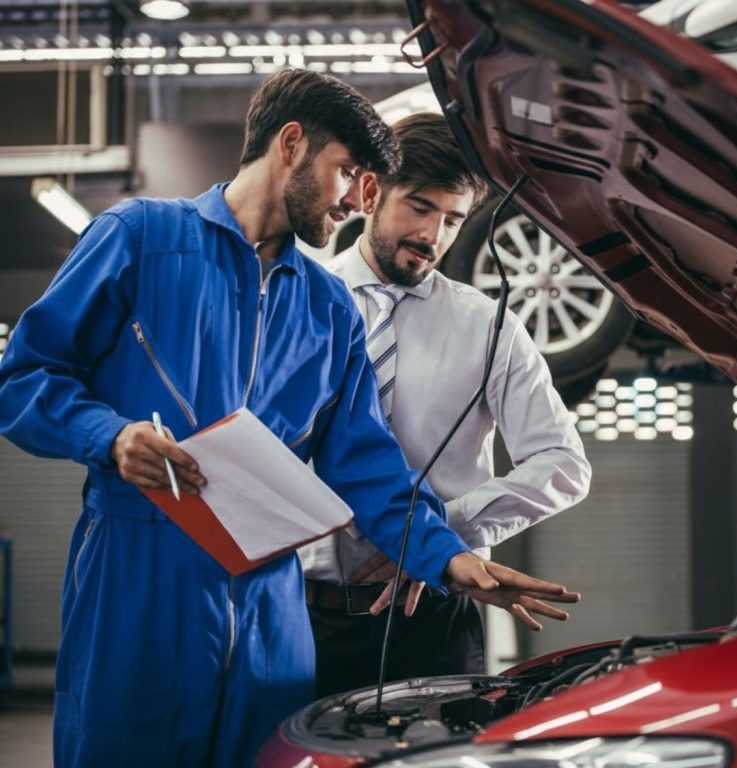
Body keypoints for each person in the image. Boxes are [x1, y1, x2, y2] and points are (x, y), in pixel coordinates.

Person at [0, 69, 578, 767]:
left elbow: (367, 466)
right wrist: (110, 436)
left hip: (273, 610)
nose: (359, 200)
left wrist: (448, 556)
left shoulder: (328, 309)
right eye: (350, 173)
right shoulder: (140, 239)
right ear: (292, 143)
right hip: (140, 580)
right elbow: (26, 377)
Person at [301, 113, 591, 697]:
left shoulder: (489, 328)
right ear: (370, 192)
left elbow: (563, 464)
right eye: (420, 207)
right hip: (305, 617)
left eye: (453, 219)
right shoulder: (300, 301)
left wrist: (435, 537)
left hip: (431, 619)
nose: (434, 236)